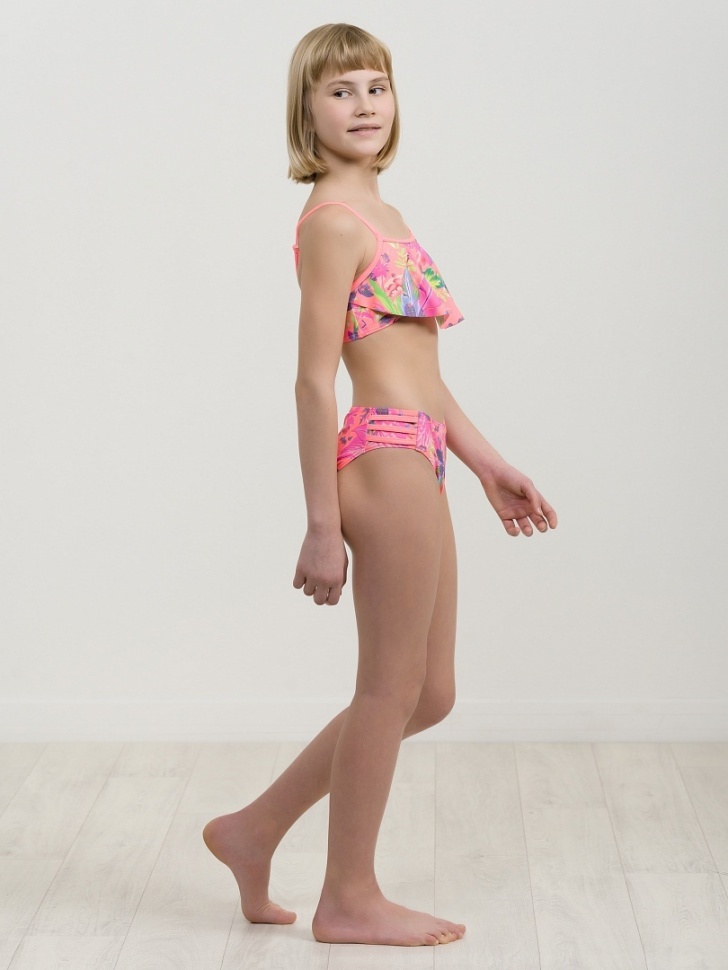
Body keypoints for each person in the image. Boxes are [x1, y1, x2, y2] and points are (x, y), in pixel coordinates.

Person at [202, 22, 558, 948]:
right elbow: (312, 380)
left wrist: (487, 464)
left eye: (376, 87)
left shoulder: (386, 216)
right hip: (382, 458)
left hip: (422, 452)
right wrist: (321, 523)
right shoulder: (332, 224)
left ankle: (253, 830)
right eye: (340, 91)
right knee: (388, 687)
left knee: (428, 693)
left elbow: (421, 375)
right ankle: (348, 897)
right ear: (306, 111)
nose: (363, 105)